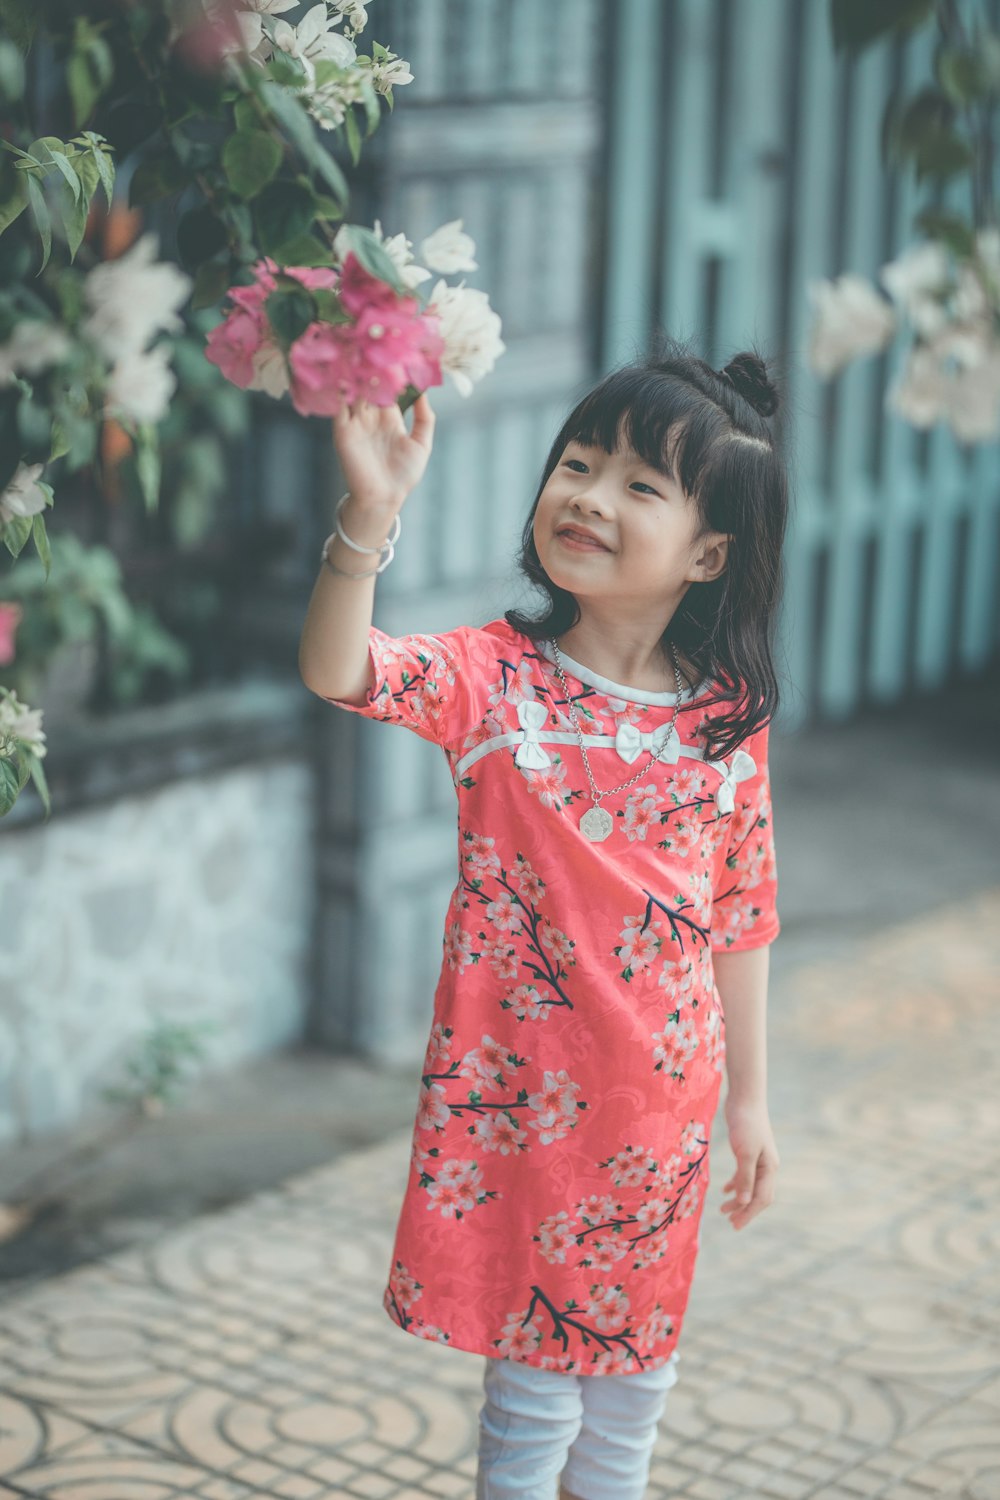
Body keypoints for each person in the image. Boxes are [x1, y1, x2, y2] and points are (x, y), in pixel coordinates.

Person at [298, 331, 788, 1500]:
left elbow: (742, 914)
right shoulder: (490, 678)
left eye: (638, 484)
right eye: (578, 462)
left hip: (659, 1117)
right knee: (531, 1402)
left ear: (708, 551)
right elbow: (337, 668)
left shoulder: (726, 725)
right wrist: (367, 517)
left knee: (628, 1400)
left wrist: (754, 1102)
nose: (589, 495)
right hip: (519, 1105)